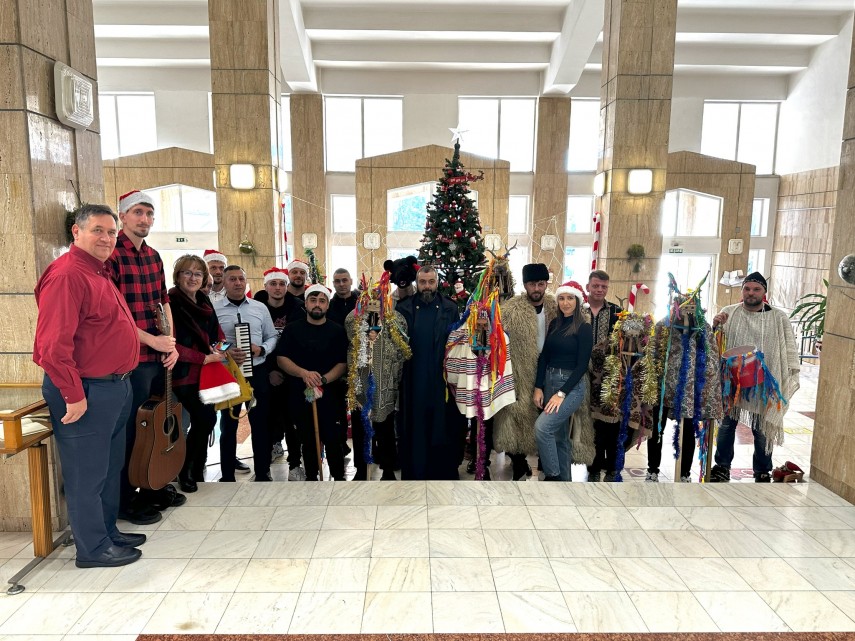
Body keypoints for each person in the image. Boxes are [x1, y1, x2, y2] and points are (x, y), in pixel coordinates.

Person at [34, 204, 144, 568]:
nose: (107, 238)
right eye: (98, 230)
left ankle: (106, 531)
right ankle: (92, 549)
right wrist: (73, 394)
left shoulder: (98, 272)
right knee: (86, 472)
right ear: (76, 233)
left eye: (112, 232)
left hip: (114, 386)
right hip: (86, 390)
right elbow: (52, 346)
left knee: (108, 468)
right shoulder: (67, 275)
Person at [108, 190, 182, 525]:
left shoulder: (153, 257)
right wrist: (152, 339)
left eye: (149, 214)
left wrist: (171, 343)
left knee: (163, 422)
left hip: (158, 357)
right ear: (122, 216)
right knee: (132, 431)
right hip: (130, 359)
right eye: (138, 213)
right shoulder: (112, 257)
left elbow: (163, 302)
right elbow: (113, 312)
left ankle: (153, 484)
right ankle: (126, 499)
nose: (145, 220)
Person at [710, 272, 800, 482]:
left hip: (764, 384)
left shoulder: (778, 318)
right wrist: (715, 326)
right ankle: (722, 466)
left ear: (764, 292)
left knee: (762, 428)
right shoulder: (728, 313)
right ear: (742, 291)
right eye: (747, 289)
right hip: (732, 383)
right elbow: (713, 345)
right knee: (726, 425)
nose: (751, 293)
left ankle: (762, 469)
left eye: (756, 289)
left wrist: (785, 373)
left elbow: (787, 349)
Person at [646, 277, 722, 483]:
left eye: (691, 308)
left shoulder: (703, 329)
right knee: (657, 429)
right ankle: (652, 468)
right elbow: (651, 353)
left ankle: (685, 472)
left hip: (690, 391)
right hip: (663, 389)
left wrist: (702, 382)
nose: (687, 313)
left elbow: (713, 358)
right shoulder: (664, 326)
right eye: (683, 308)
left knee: (688, 430)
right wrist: (653, 382)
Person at [396, 265, 466, 480]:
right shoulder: (404, 307)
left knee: (442, 423)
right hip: (412, 378)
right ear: (417, 283)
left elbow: (457, 342)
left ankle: (443, 470)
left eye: (431, 282)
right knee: (414, 423)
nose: (427, 286)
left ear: (437, 282)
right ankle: (415, 470)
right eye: (423, 282)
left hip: (441, 379)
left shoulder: (449, 308)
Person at [277, 284, 349, 481]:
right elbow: (281, 358)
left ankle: (338, 476)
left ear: (327, 305)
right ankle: (311, 476)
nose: (317, 305)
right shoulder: (292, 330)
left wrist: (323, 379)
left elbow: (343, 363)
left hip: (330, 393)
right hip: (300, 392)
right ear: (306, 303)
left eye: (322, 301)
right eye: (313, 300)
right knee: (307, 438)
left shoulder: (337, 331)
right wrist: (303, 374)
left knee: (333, 438)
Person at [213, 265, 278, 482]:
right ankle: (227, 475)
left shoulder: (260, 308)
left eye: (241, 278)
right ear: (223, 281)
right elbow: (210, 340)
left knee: (260, 423)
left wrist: (262, 349)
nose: (238, 283)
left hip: (257, 372)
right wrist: (226, 351)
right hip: (228, 374)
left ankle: (262, 472)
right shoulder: (214, 308)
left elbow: (272, 336)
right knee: (228, 424)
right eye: (232, 279)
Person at [168, 255, 227, 493]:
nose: (193, 278)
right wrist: (204, 357)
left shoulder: (203, 300)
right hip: (183, 372)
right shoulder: (171, 302)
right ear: (178, 276)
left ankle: (196, 468)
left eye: (198, 274)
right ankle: (185, 471)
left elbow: (219, 335)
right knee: (204, 419)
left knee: (206, 421)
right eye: (187, 273)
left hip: (208, 372)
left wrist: (220, 350)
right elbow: (170, 343)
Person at [493, 263, 556, 481]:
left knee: (546, 419)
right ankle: (519, 465)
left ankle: (545, 466)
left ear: (546, 284)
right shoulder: (510, 310)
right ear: (525, 285)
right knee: (516, 418)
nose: (536, 288)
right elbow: (498, 340)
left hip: (549, 372)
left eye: (540, 283)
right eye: (532, 284)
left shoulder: (556, 306)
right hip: (519, 371)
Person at [345, 275, 410, 480]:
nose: (374, 300)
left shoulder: (396, 319)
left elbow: (403, 351)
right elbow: (350, 344)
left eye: (378, 296)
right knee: (360, 428)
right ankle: (361, 469)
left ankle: (388, 468)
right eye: (370, 297)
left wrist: (394, 376)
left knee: (386, 428)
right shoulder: (353, 319)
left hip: (385, 384)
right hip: (360, 383)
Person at [533, 281, 593, 481]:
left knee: (542, 428)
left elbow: (582, 365)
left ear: (577, 300)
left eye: (570, 298)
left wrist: (561, 394)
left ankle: (553, 475)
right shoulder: (554, 324)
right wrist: (538, 387)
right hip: (550, 380)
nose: (565, 303)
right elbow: (544, 358)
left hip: (571, 386)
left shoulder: (583, 328)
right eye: (561, 298)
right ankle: (565, 485)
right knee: (559, 438)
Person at [257, 267, 303, 479]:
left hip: (291, 373)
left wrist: (289, 370)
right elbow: (259, 343)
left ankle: (295, 464)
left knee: (292, 421)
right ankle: (263, 467)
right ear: (266, 286)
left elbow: (297, 343)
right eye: (273, 284)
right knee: (265, 421)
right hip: (266, 372)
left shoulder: (298, 309)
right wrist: (270, 371)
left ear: (287, 287)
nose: (277, 288)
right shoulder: (257, 309)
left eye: (281, 284)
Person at [584, 269, 623, 482]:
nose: (599, 290)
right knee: (592, 424)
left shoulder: (618, 312)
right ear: (588, 286)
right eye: (596, 285)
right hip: (584, 374)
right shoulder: (579, 310)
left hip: (609, 377)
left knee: (610, 423)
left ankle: (611, 468)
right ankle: (593, 467)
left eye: (604, 287)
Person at [284, 258, 310, 322]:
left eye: (302, 273)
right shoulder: (281, 295)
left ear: (306, 276)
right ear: (288, 275)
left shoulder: (310, 297)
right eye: (294, 272)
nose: (298, 275)